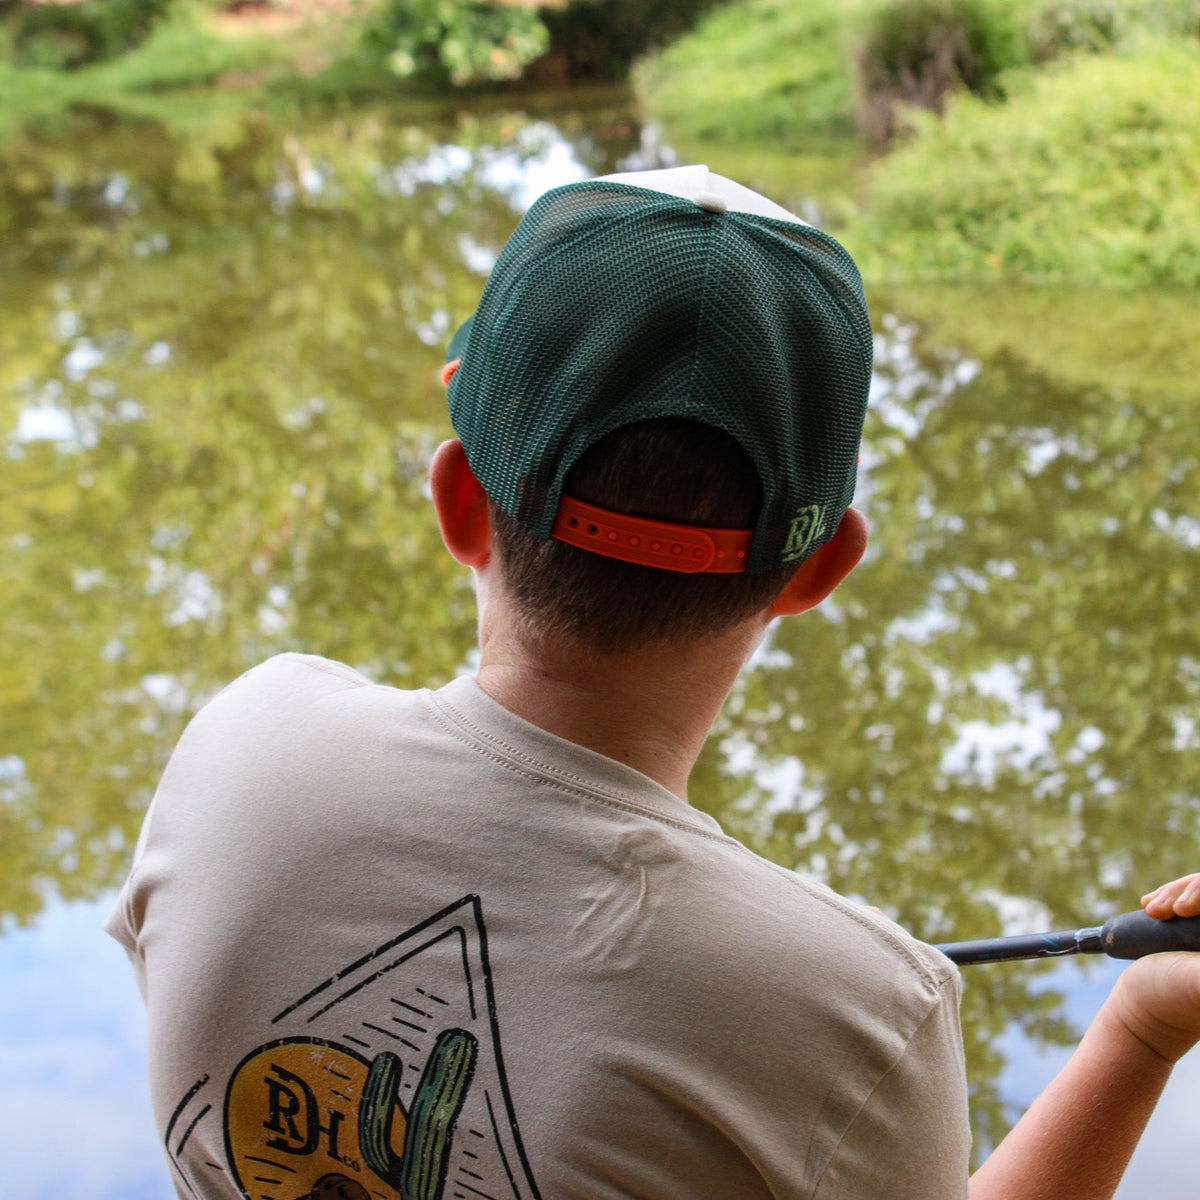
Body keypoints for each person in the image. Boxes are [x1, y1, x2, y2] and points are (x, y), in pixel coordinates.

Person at [106, 166, 1200, 1200]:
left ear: (457, 504)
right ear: (820, 568)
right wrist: (1140, 1035)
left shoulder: (243, 750)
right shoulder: (852, 1011)